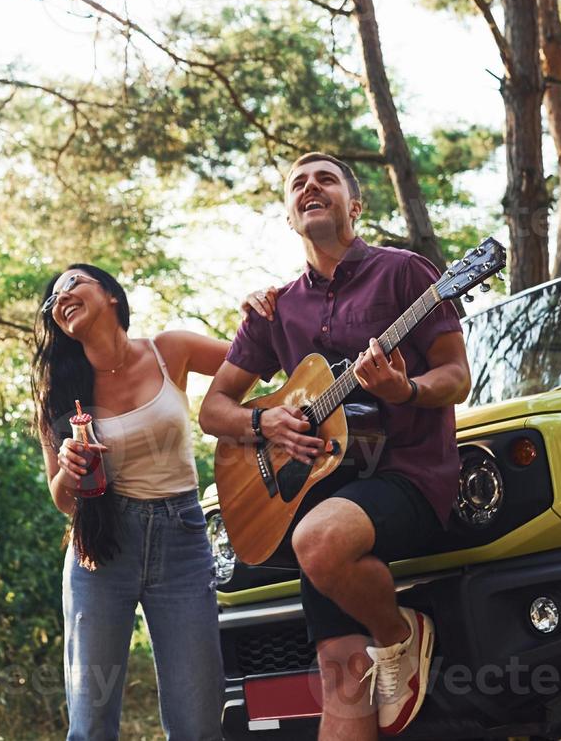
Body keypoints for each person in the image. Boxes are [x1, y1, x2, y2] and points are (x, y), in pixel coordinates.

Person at [200, 153, 472, 739]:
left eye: (325, 179)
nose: (310, 188)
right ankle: (384, 642)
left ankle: (400, 634)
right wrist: (267, 422)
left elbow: (456, 375)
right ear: (289, 216)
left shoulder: (405, 273)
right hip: (319, 495)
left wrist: (405, 387)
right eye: (298, 184)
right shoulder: (275, 308)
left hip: (408, 479)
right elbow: (213, 409)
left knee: (316, 539)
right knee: (341, 674)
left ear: (355, 204)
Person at [33, 264, 229, 741]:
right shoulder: (59, 390)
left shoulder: (170, 351)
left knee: (199, 724)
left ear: (112, 296)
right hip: (99, 552)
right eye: (53, 297)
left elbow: (256, 359)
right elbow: (61, 499)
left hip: (182, 541)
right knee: (91, 725)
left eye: (73, 283)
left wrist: (260, 311)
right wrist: (70, 467)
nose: (61, 296)